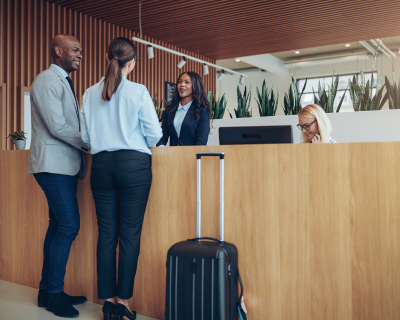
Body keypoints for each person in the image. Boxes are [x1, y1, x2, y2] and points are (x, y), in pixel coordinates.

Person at [80, 37, 162, 320]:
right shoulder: (138, 91)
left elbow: (85, 139)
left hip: (101, 166)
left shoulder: (89, 93)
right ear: (133, 63)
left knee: (107, 236)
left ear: (107, 57)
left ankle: (108, 302)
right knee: (129, 235)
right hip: (134, 166)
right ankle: (123, 302)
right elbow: (154, 135)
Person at [27, 34, 90, 318]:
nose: (80, 54)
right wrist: (90, 142)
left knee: (56, 227)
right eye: (75, 49)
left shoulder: (61, 80)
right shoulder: (47, 80)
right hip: (53, 167)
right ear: (58, 50)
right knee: (68, 227)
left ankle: (46, 292)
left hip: (62, 166)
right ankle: (54, 295)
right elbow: (57, 126)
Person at [157, 71, 211, 146]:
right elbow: (162, 136)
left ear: (195, 85)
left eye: (187, 82)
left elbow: (201, 141)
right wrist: (161, 148)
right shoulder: (169, 109)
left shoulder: (202, 111)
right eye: (180, 82)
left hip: (191, 156)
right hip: (171, 156)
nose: (182, 85)